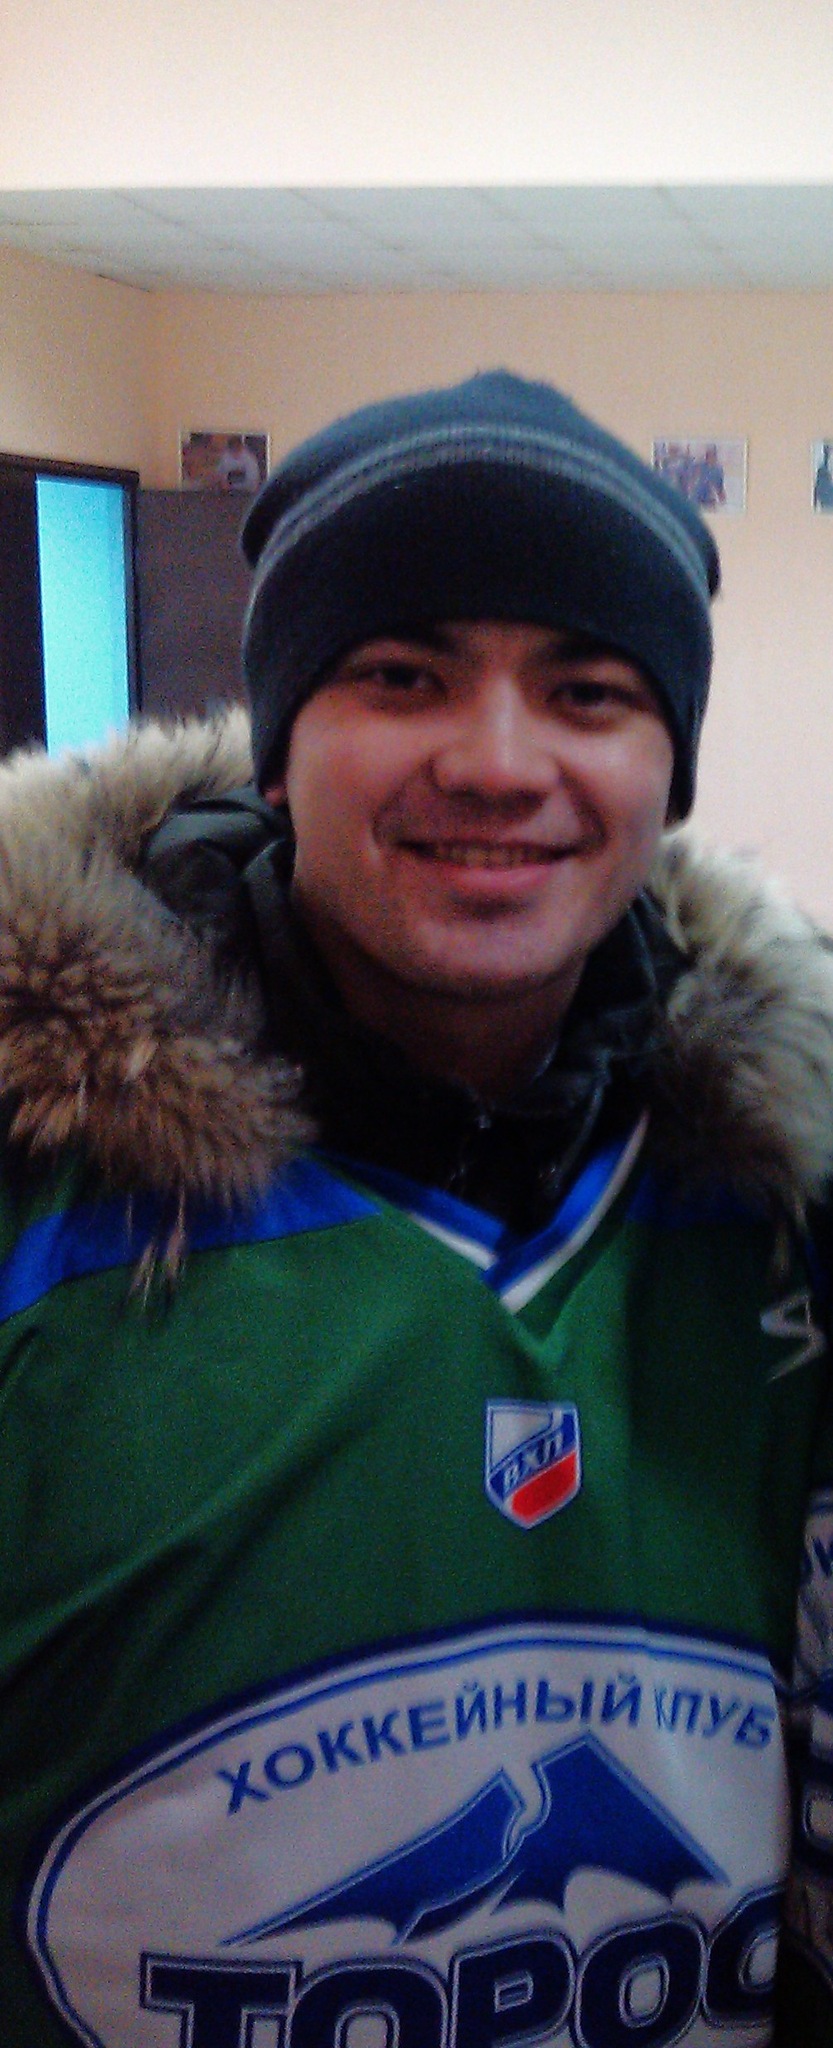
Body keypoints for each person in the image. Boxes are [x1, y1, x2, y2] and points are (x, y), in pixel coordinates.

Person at [2, 370, 833, 2048]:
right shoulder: (41, 1189)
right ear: (278, 738)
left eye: (588, 691)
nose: (497, 762)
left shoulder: (787, 1198)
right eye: (400, 675)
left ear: (666, 770)